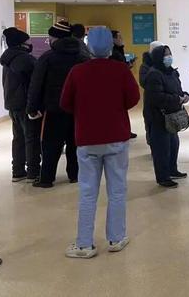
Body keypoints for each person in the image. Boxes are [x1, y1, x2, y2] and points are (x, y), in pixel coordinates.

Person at [61, 27, 140, 259]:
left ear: (88, 46)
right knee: (117, 190)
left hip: (87, 139)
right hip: (116, 137)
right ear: (111, 46)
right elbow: (133, 98)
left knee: (87, 192)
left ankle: (84, 244)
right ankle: (116, 238)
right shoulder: (121, 70)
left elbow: (65, 103)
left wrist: (85, 110)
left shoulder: (77, 71)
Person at [27, 21, 88, 188]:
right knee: (75, 143)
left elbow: (36, 84)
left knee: (50, 144)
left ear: (55, 38)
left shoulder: (47, 57)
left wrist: (32, 107)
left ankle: (46, 178)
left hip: (53, 109)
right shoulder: (83, 57)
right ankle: (75, 175)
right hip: (77, 109)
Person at [144, 45, 189, 188]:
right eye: (166, 55)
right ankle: (163, 177)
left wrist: (184, 95)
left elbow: (178, 89)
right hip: (158, 117)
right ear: (158, 57)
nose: (169, 57)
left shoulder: (172, 72)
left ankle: (172, 170)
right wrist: (177, 99)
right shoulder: (154, 74)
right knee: (161, 148)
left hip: (172, 116)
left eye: (170, 54)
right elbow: (157, 98)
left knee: (173, 145)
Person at [0, 27, 40, 182]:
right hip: (25, 105)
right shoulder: (26, 60)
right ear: (20, 43)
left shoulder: (7, 59)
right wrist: (35, 105)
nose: (30, 44)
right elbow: (34, 84)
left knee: (18, 138)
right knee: (31, 138)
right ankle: (33, 172)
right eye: (27, 41)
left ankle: (17, 171)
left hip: (12, 104)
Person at [110, 31, 137, 138]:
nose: (121, 39)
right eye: (119, 37)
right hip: (116, 86)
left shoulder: (118, 50)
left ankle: (126, 130)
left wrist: (128, 65)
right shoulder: (114, 52)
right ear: (113, 39)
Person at [140, 41, 164, 145]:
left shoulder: (164, 64)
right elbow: (143, 82)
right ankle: (153, 145)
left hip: (165, 101)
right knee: (151, 124)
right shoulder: (145, 66)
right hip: (151, 102)